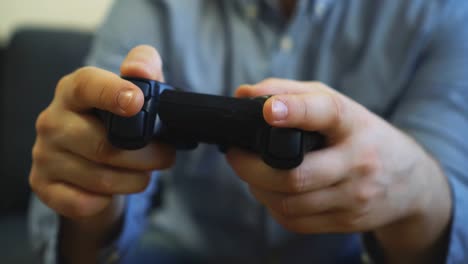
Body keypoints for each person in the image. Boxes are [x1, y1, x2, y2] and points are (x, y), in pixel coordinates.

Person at [28, 0, 468, 263]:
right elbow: (84, 215)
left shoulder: (442, 13)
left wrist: (418, 194)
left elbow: (452, 205)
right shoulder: (153, 7)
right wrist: (91, 192)